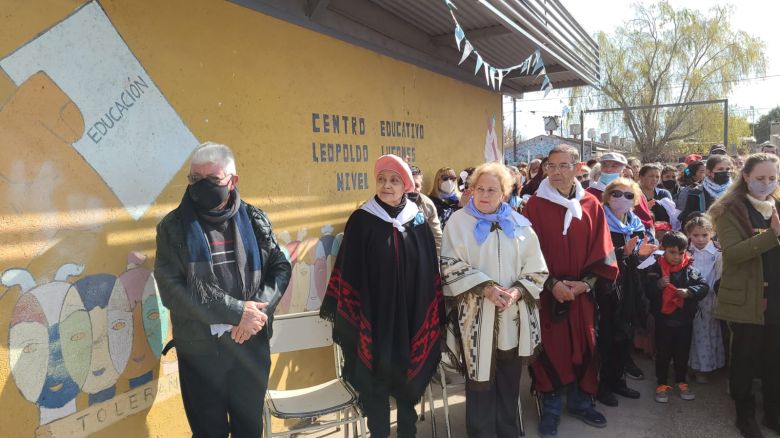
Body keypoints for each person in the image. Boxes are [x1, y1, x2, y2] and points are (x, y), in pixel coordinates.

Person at [155, 142, 292, 437]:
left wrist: (256, 312)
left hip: (249, 345)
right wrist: (236, 312)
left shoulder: (255, 220)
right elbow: (170, 289)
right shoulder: (173, 227)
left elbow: (281, 267)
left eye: (212, 180)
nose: (201, 186)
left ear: (233, 181)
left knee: (249, 429)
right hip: (200, 350)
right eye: (194, 179)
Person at [320, 154, 443, 438]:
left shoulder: (418, 219)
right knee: (375, 383)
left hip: (412, 316)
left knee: (407, 383)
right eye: (381, 179)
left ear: (406, 185)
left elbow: (427, 267)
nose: (387, 186)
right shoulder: (362, 220)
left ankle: (407, 433)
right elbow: (349, 271)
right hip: (373, 319)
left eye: (394, 180)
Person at [441, 162, 548, 438]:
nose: (485, 195)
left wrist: (516, 291)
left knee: (509, 382)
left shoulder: (520, 224)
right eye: (480, 188)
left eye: (492, 189)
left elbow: (537, 269)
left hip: (512, 315)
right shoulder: (458, 222)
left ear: (504, 192)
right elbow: (449, 264)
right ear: (472, 190)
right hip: (476, 317)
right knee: (480, 384)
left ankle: (509, 432)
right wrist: (485, 288)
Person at [523, 145, 619, 438]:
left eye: (564, 166)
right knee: (550, 351)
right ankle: (550, 408)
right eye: (551, 166)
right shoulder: (534, 206)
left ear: (578, 169)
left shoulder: (591, 204)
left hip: (581, 295)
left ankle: (580, 401)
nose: (557, 172)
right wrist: (552, 285)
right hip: (546, 294)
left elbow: (603, 250)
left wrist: (585, 284)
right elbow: (526, 253)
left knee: (584, 346)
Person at [708, 153, 780, 438]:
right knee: (744, 359)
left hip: (777, 295)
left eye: (772, 178)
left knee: (775, 359)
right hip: (747, 298)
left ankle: (773, 414)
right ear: (746, 177)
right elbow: (734, 254)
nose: (766, 184)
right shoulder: (728, 209)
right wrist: (772, 235)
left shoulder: (777, 205)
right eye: (760, 178)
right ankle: (744, 414)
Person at [596, 178, 656, 407]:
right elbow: (595, 259)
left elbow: (638, 256)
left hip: (630, 284)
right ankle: (603, 387)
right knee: (608, 338)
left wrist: (642, 254)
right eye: (617, 194)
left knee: (625, 336)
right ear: (608, 196)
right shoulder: (599, 221)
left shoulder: (636, 223)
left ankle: (618, 381)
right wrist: (623, 252)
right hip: (607, 288)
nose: (623, 199)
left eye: (629, 195)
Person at [642, 231, 708, 404]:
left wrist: (689, 292)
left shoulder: (691, 269)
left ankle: (681, 381)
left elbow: (703, 287)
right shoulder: (655, 269)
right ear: (663, 249)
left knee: (682, 353)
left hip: (684, 321)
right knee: (663, 354)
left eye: (681, 252)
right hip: (663, 321)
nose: (677, 257)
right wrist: (657, 285)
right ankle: (661, 383)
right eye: (672, 252)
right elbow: (647, 292)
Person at [684, 215, 724, 383]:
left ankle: (705, 368)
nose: (700, 239)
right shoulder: (685, 251)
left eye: (704, 235)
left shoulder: (717, 253)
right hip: (689, 297)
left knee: (707, 332)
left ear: (712, 234)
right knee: (690, 333)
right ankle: (690, 365)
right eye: (695, 235)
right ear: (689, 235)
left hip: (710, 299)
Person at [587, 152, 655, 232]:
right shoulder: (588, 193)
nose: (608, 169)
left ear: (622, 171)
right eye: (605, 165)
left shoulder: (632, 193)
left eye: (614, 166)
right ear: (600, 168)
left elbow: (646, 222)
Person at [678, 155, 733, 225]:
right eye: (720, 169)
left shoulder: (734, 191)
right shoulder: (696, 193)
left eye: (727, 169)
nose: (725, 172)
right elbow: (688, 221)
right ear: (709, 172)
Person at [410, 165, 443, 254]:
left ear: (421, 187)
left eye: (416, 185)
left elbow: (437, 237)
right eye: (409, 185)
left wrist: (437, 263)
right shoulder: (391, 202)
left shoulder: (427, 205)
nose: (411, 190)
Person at [639, 164, 678, 230]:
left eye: (657, 177)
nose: (654, 179)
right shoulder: (634, 194)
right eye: (651, 176)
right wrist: (645, 209)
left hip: (663, 233)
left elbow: (672, 217)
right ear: (641, 177)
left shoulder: (664, 194)